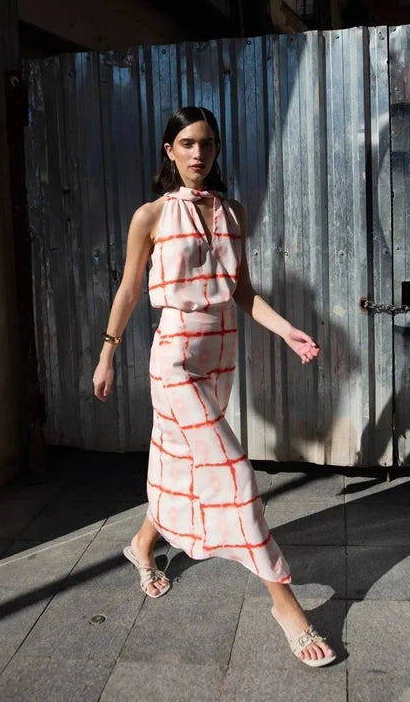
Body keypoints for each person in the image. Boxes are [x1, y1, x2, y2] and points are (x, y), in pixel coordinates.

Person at [93, 106, 335, 668]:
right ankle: (286, 606)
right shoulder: (150, 216)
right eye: (186, 143)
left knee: (186, 462)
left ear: (216, 149)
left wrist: (287, 331)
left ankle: (142, 546)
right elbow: (130, 289)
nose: (197, 153)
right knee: (233, 473)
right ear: (168, 151)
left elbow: (243, 292)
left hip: (221, 353)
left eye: (206, 143)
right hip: (174, 356)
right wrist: (106, 354)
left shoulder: (234, 213)